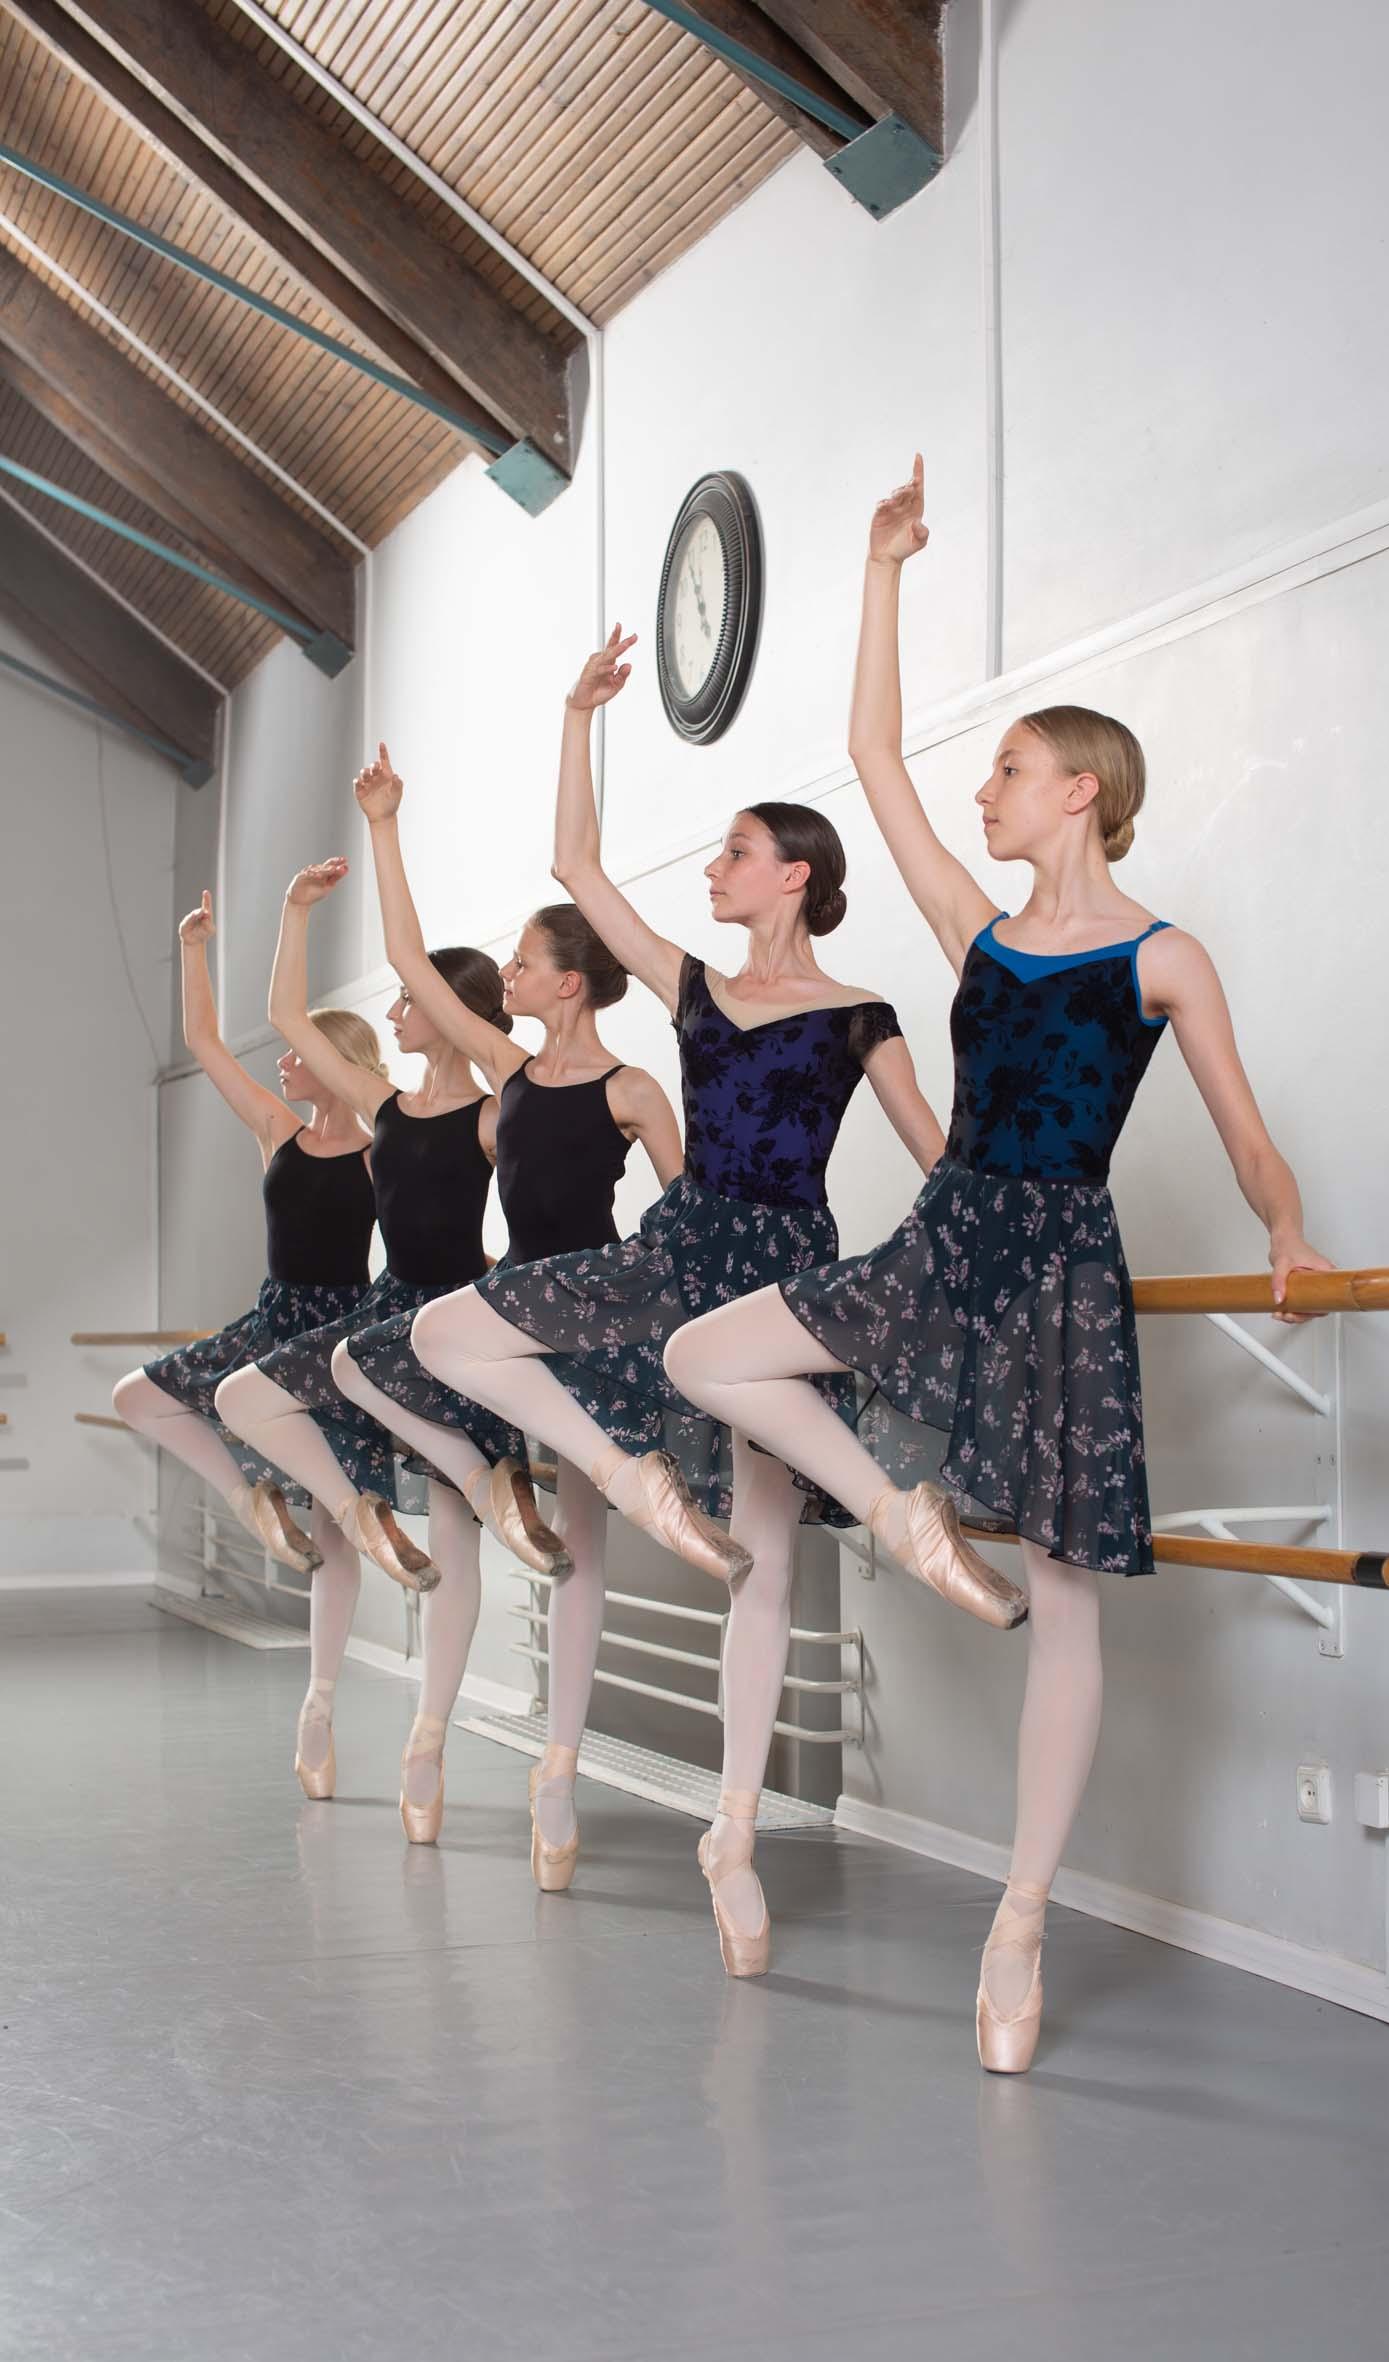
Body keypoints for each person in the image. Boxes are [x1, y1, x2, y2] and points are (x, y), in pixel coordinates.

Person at [660, 459, 1334, 2067]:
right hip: (947, 1230)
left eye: (1011, 771)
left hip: (1058, 1264)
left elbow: (1246, 1132)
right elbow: (874, 756)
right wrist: (881, 570)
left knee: (1063, 1593)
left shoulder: (1162, 957)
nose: (985, 791)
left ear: (1078, 791)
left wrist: (1283, 1222)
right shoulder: (974, 931)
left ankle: (1019, 1919)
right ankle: (897, 1510)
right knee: (705, 1351)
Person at [411, 627, 954, 1917]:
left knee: (762, 1558)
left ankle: (734, 1834)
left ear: (794, 875)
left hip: (782, 1276)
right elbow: (576, 866)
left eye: (734, 851)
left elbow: (939, 1159)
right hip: (680, 1247)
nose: (714, 866)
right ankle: (623, 1473)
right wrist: (577, 716)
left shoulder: (860, 1013)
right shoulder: (693, 985)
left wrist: (977, 1271)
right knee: (447, 1331)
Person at [328, 744, 681, 1860]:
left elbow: (690, 1218)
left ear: (567, 982)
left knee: (580, 1551)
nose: (509, 976)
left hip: (595, 1315)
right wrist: (385, 825)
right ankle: (490, 1495)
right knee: (373, 1362)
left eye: (524, 963)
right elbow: (407, 958)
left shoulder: (634, 1088)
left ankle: (557, 1771)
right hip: (510, 1310)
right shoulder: (507, 1072)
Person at [215, 855, 509, 1831]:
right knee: (246, 1394)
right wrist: (294, 909)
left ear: (448, 1009)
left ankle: (427, 1743)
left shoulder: (495, 1112)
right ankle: (358, 1518)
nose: (393, 1011)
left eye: (409, 999)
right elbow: (287, 1017)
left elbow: (543, 1204)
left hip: (455, 1320)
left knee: (458, 1540)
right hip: (386, 1316)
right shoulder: (384, 1106)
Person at [113, 887, 378, 1578]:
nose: (282, 1062)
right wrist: (191, 949)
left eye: (296, 1053)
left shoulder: (379, 1153)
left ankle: (325, 1650)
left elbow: (426, 1236)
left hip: (340, 1327)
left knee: (334, 1521)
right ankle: (249, 1498)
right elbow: (205, 1042)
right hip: (273, 1317)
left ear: (330, 1059)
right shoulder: (277, 1129)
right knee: (136, 1397)